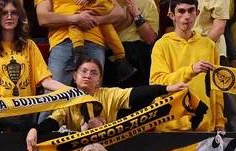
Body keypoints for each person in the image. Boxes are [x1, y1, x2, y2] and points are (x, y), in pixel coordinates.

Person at [0, 0, 66, 133]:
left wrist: (70, 91)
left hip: (25, 119)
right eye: (4, 13)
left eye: (14, 13)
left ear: (19, 17)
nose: (9, 16)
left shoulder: (29, 45)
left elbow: (46, 81)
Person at [29, 54, 186, 141]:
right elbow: (53, 122)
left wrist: (167, 88)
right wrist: (35, 129)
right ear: (75, 76)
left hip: (109, 148)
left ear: (99, 80)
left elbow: (137, 93)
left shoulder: (109, 94)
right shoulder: (67, 99)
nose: (88, 75)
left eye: (94, 73)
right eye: (84, 71)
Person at [150, 0, 220, 129]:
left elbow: (216, 88)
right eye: (181, 11)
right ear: (172, 15)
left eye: (190, 10)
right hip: (170, 126)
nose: (186, 16)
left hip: (203, 126)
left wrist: (219, 121)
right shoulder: (162, 45)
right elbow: (157, 84)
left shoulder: (209, 45)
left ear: (197, 13)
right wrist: (191, 70)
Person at [115, 0, 159, 82]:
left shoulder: (148, 3)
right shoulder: (109, 1)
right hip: (114, 54)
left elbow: (150, 38)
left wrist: (136, 14)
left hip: (140, 54)